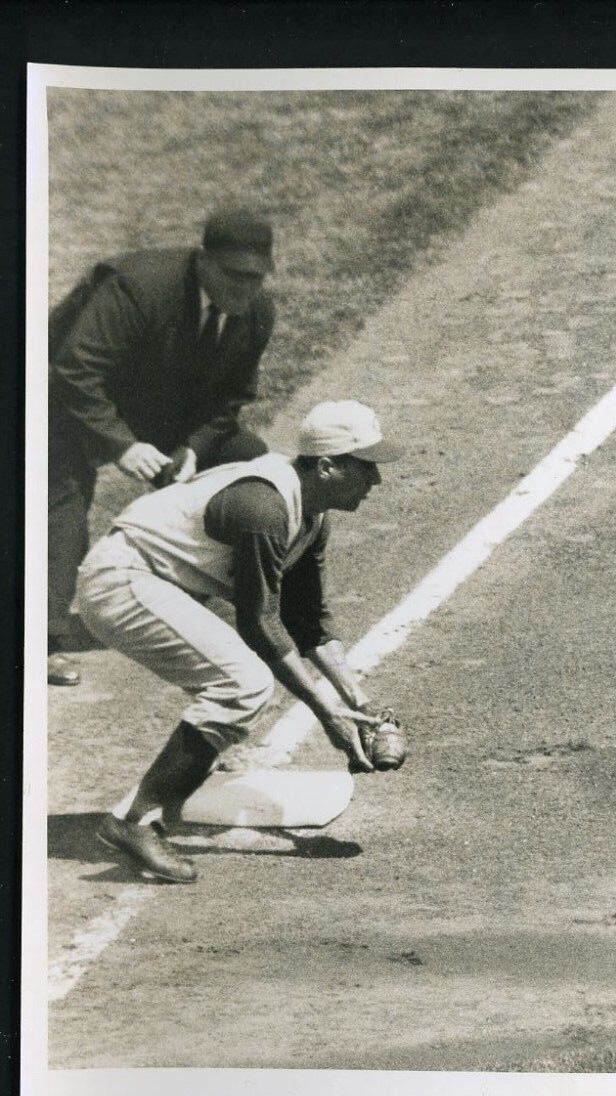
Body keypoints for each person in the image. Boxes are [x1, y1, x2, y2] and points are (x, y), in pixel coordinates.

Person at [74, 400, 402, 884]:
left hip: (160, 581)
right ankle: (132, 823)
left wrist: (362, 703)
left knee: (233, 684)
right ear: (328, 466)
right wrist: (325, 711)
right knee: (241, 683)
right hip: (122, 579)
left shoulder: (311, 515)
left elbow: (307, 621)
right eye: (366, 466)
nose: (376, 479)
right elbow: (259, 623)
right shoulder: (263, 507)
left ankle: (184, 773)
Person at [47, 205, 279, 687]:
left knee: (251, 466)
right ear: (203, 261)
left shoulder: (256, 312)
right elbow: (74, 368)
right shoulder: (139, 288)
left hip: (154, 402)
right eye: (234, 275)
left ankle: (215, 595)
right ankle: (39, 640)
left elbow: (231, 399)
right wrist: (121, 445)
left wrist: (193, 447)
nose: (245, 289)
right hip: (61, 399)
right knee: (60, 505)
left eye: (256, 278)